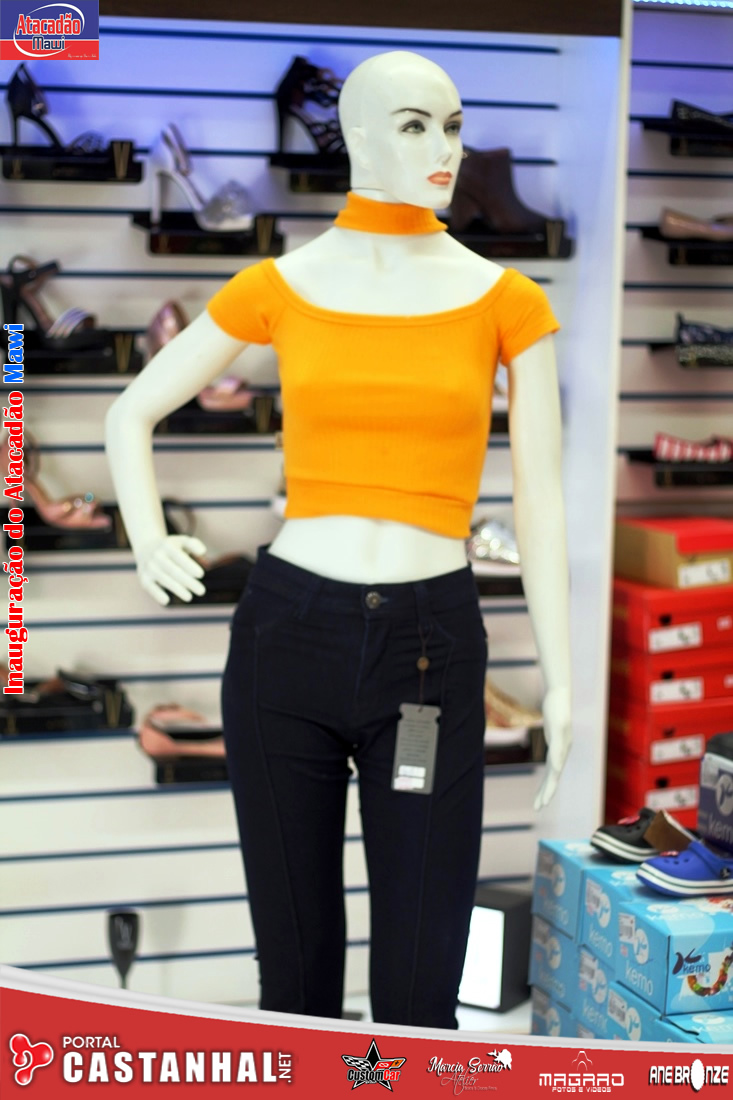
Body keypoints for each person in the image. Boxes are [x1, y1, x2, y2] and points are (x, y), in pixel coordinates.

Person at [105, 50, 572, 1029]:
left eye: (452, 125)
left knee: (418, 991)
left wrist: (563, 680)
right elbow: (130, 411)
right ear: (357, 136)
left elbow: (540, 502)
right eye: (414, 124)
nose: (444, 147)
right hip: (287, 638)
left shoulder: (507, 301)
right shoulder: (282, 282)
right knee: (297, 984)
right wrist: (147, 539)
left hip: (429, 649)